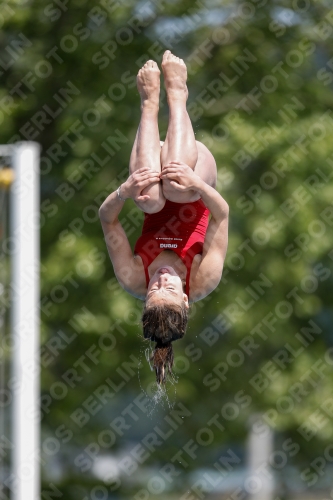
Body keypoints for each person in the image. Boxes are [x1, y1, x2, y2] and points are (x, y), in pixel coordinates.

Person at [99, 51, 229, 384]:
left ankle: (148, 103)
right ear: (185, 297)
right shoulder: (204, 278)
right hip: (195, 171)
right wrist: (197, 183)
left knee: (149, 198)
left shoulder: (132, 276)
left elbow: (107, 219)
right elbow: (221, 214)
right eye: (168, 287)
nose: (162, 279)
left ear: (144, 296)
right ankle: (177, 92)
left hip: (151, 165)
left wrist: (124, 190)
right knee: (175, 190)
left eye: (154, 287)